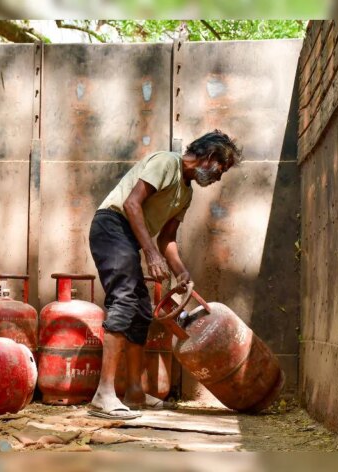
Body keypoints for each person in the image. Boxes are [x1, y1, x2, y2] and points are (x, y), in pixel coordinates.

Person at [87, 130, 241, 419]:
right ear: (209, 158)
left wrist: (181, 272)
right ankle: (103, 394)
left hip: (129, 237)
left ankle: (134, 392)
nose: (219, 178)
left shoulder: (187, 192)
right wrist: (150, 255)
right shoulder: (166, 163)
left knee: (142, 313)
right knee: (123, 302)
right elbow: (132, 205)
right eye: (221, 169)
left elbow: (166, 239)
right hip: (111, 226)